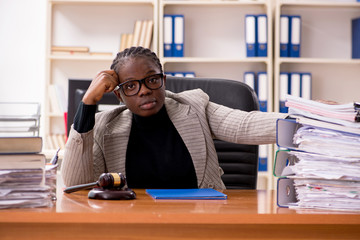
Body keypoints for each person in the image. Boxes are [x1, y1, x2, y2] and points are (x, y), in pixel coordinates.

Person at [61, 46, 286, 190]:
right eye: (131, 86)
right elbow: (76, 184)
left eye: (152, 80)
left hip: (203, 221)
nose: (144, 90)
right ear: (119, 94)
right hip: (133, 224)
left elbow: (245, 125)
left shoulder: (195, 106)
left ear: (163, 80)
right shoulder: (104, 126)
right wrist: (88, 103)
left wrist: (310, 119)